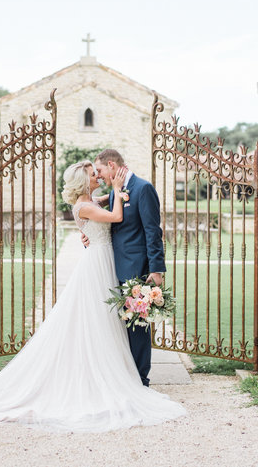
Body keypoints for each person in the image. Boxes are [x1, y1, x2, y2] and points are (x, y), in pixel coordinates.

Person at [0, 161, 185, 432]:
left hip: (105, 261)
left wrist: (113, 194)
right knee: (96, 319)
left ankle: (116, 374)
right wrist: (116, 189)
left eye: (98, 172)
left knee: (104, 322)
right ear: (85, 182)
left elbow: (107, 207)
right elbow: (116, 218)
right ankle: (101, 376)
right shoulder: (85, 205)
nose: (99, 177)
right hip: (97, 265)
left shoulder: (91, 200)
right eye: (94, 175)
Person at [91, 149, 166, 388]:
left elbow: (153, 232)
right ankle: (126, 373)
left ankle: (141, 379)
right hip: (116, 266)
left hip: (137, 269)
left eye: (100, 170)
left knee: (137, 326)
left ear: (111, 165)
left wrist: (156, 269)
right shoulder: (116, 190)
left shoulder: (143, 189)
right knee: (122, 324)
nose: (99, 175)